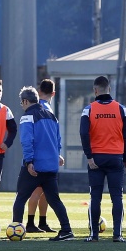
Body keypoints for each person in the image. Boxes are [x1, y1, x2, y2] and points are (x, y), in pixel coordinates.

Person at [11, 86, 74, 241]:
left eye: (22, 102)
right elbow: (58, 139)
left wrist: (29, 162)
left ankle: (16, 230)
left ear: (25, 101)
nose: (22, 105)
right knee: (54, 199)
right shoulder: (52, 116)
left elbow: (27, 141)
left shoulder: (27, 116)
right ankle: (67, 230)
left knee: (21, 198)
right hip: (51, 166)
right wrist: (56, 155)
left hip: (35, 166)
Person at [80, 76, 126, 242]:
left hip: (96, 158)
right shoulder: (121, 109)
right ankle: (118, 234)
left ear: (95, 90)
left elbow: (83, 133)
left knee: (95, 196)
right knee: (117, 197)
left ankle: (94, 235)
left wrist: (89, 156)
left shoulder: (89, 109)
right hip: (116, 157)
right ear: (109, 89)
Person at [26, 79, 58, 233]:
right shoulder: (46, 110)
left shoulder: (36, 108)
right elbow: (50, 136)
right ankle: (31, 223)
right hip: (43, 158)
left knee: (43, 191)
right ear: (53, 93)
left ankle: (41, 222)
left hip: (40, 156)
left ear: (39, 92)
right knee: (38, 191)